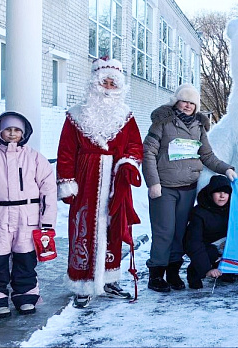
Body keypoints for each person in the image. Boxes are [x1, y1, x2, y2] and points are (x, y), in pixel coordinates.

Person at [57, 57, 144, 308]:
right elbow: (66, 151)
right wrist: (67, 182)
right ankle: (82, 283)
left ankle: (109, 279)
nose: (107, 87)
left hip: (114, 181)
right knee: (82, 228)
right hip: (85, 178)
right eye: (103, 81)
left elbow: (134, 145)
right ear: (94, 83)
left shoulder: (126, 116)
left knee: (113, 227)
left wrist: (127, 164)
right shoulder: (75, 116)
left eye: (112, 83)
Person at [142, 84, 237, 293]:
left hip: (188, 188)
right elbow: (148, 152)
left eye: (192, 103)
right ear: (176, 102)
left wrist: (227, 169)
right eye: (184, 101)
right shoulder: (163, 123)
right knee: (164, 231)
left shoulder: (198, 127)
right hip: (165, 187)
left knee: (179, 233)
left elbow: (207, 156)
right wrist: (153, 182)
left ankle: (173, 273)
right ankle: (156, 274)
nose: (187, 105)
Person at [0, 111, 57, 318]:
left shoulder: (35, 158)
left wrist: (47, 221)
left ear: (24, 133)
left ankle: (25, 296)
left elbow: (49, 190)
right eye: (8, 130)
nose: (12, 134)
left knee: (26, 260)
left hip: (28, 218)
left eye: (17, 130)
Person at [185, 175, 236, 289]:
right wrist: (206, 269)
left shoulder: (233, 209)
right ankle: (194, 273)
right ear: (211, 193)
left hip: (225, 246)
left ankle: (225, 270)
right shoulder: (199, 213)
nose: (222, 196)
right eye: (218, 192)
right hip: (205, 248)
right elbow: (194, 243)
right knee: (211, 252)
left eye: (225, 192)